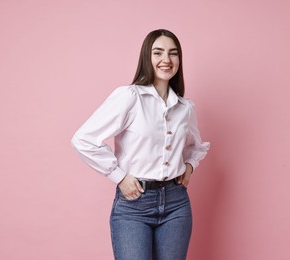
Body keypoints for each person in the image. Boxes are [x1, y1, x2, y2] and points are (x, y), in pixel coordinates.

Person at [71, 29, 210, 260]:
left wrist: (190, 165)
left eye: (173, 54)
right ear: (147, 57)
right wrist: (119, 176)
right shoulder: (129, 97)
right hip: (133, 206)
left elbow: (196, 147)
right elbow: (83, 139)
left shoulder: (185, 108)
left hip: (177, 205)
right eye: (158, 53)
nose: (166, 60)